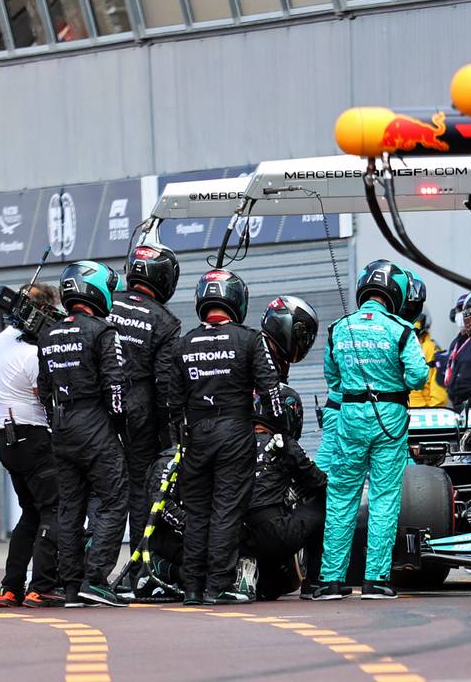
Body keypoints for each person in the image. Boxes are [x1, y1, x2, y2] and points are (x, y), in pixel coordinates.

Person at [171, 268, 283, 605]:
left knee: (197, 512)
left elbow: (172, 403)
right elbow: (271, 391)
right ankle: (216, 586)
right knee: (226, 511)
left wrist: (182, 439)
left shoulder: (183, 343)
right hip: (235, 432)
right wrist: (278, 427)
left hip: (196, 436)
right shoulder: (250, 339)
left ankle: (192, 587)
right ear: (236, 300)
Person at [318, 260, 429, 600]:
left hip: (349, 414)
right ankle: (375, 581)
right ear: (394, 292)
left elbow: (332, 377)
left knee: (340, 497)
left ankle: (331, 581)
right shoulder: (401, 329)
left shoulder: (340, 327)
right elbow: (418, 377)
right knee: (384, 498)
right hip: (390, 417)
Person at [37, 262, 129, 607]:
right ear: (96, 290)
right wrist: (118, 429)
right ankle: (96, 578)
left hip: (61, 427)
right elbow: (116, 389)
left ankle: (71, 585)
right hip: (94, 424)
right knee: (114, 498)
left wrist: (57, 420)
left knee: (70, 507)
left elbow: (43, 390)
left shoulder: (49, 333)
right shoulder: (102, 331)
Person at [0, 284, 63, 608]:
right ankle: (41, 587)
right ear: (43, 311)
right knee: (55, 508)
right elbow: (45, 397)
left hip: (2, 438)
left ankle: (10, 588)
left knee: (30, 512)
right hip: (31, 436)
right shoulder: (34, 353)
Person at [107, 241, 181, 577]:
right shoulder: (164, 321)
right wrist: (173, 430)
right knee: (139, 492)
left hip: (95, 411)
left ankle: (80, 573)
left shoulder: (103, 303)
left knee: (95, 493)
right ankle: (137, 573)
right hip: (139, 415)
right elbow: (166, 384)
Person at [242, 384, 330, 601]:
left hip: (235, 535)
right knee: (324, 500)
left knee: (274, 590)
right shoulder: (284, 444)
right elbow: (318, 481)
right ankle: (315, 582)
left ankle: (247, 568)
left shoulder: (232, 443)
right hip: (273, 532)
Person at [260, 295, 320, 384]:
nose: (303, 341)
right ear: (284, 323)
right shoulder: (258, 353)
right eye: (300, 334)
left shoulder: (280, 359)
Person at [441, 293, 471, 410]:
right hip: (456, 404)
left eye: (464, 310)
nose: (461, 314)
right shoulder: (456, 342)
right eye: (459, 310)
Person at [408, 312, 448, 407]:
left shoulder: (430, 349)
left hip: (422, 411)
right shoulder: (395, 346)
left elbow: (439, 395)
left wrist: (432, 413)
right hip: (400, 410)